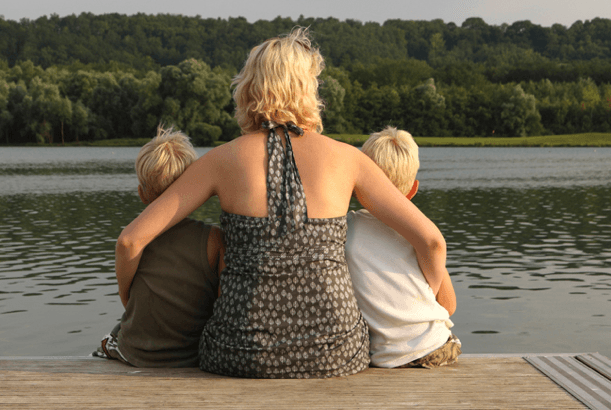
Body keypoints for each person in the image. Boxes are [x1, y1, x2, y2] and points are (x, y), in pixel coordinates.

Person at [115, 28, 448, 378]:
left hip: (238, 353)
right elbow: (431, 241)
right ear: (308, 90)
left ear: (248, 88)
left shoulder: (220, 160)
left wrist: (128, 303)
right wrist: (431, 304)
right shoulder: (350, 160)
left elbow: (130, 240)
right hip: (336, 353)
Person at [96, 125, 225, 367]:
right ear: (193, 192)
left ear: (141, 194)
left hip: (137, 354)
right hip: (192, 356)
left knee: (111, 336)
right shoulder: (214, 240)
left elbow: (128, 298)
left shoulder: (136, 239)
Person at [345, 127, 460, 368]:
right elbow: (448, 306)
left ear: (356, 188)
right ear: (413, 189)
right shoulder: (421, 234)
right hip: (437, 347)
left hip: (381, 356)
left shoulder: (348, 228)